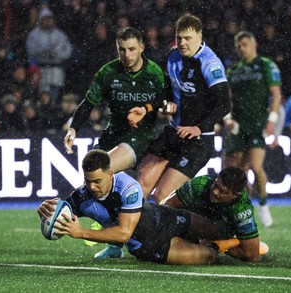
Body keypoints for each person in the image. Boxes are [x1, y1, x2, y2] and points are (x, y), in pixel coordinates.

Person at [63, 27, 167, 259]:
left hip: (141, 137)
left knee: (104, 171)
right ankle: (115, 242)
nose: (127, 55)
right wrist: (73, 127)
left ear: (141, 47)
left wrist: (153, 109)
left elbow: (166, 98)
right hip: (112, 135)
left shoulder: (154, 72)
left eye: (131, 49)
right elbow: (88, 103)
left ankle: (118, 237)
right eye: (122, 50)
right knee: (97, 186)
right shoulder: (108, 72)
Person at [37, 149, 231, 265]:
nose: (92, 187)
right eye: (87, 181)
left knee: (220, 229)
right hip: (153, 246)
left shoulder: (127, 186)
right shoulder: (82, 196)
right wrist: (48, 209)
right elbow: (62, 210)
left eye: (97, 181)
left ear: (110, 174)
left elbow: (123, 233)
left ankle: (231, 240)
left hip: (163, 216)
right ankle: (217, 246)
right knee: (211, 257)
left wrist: (82, 233)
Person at [136, 13, 231, 204]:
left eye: (188, 38)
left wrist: (199, 127)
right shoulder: (172, 58)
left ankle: (187, 230)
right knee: (140, 184)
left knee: (162, 196)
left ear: (200, 36)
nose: (182, 42)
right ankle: (128, 232)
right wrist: (164, 105)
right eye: (179, 37)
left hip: (198, 141)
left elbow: (224, 104)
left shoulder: (209, 63)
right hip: (174, 133)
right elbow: (167, 92)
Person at [223, 31, 282, 228]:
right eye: (238, 45)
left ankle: (264, 206)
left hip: (257, 124)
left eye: (245, 44)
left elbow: (276, 94)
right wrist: (228, 118)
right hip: (238, 126)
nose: (241, 48)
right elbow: (227, 99)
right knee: (238, 172)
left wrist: (272, 120)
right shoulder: (233, 70)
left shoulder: (265, 65)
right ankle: (243, 209)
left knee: (256, 167)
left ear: (254, 44)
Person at [161, 166, 261, 262]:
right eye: (216, 185)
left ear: (235, 195)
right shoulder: (200, 184)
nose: (215, 192)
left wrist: (218, 245)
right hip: (189, 222)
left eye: (223, 191)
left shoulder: (242, 208)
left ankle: (216, 244)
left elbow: (252, 255)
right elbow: (168, 206)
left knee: (250, 254)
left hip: (219, 232)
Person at [25, 7, 72, 106]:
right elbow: (31, 51)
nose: (47, 21)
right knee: (40, 100)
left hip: (56, 70)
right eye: (45, 19)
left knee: (54, 100)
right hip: (40, 70)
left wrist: (56, 53)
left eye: (49, 19)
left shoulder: (60, 35)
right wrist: (44, 52)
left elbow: (68, 51)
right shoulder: (34, 34)